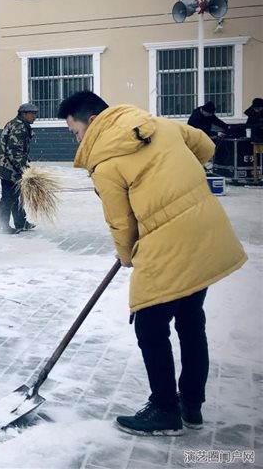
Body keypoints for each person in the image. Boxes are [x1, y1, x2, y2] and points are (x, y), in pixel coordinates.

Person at [58, 91, 247, 436]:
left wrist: (127, 256)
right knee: (190, 320)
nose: (77, 139)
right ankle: (191, 405)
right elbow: (205, 146)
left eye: (75, 131)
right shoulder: (159, 125)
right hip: (206, 230)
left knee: (149, 323)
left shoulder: (105, 162)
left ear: (94, 121)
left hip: (166, 242)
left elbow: (121, 222)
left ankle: (164, 409)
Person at [0, 102, 38, 234]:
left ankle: (20, 222)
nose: (35, 117)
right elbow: (14, 152)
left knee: (15, 195)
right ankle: (2, 226)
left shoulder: (16, 123)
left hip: (7, 167)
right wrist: (24, 169)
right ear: (24, 114)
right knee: (7, 198)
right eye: (32, 114)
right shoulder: (19, 127)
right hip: (9, 169)